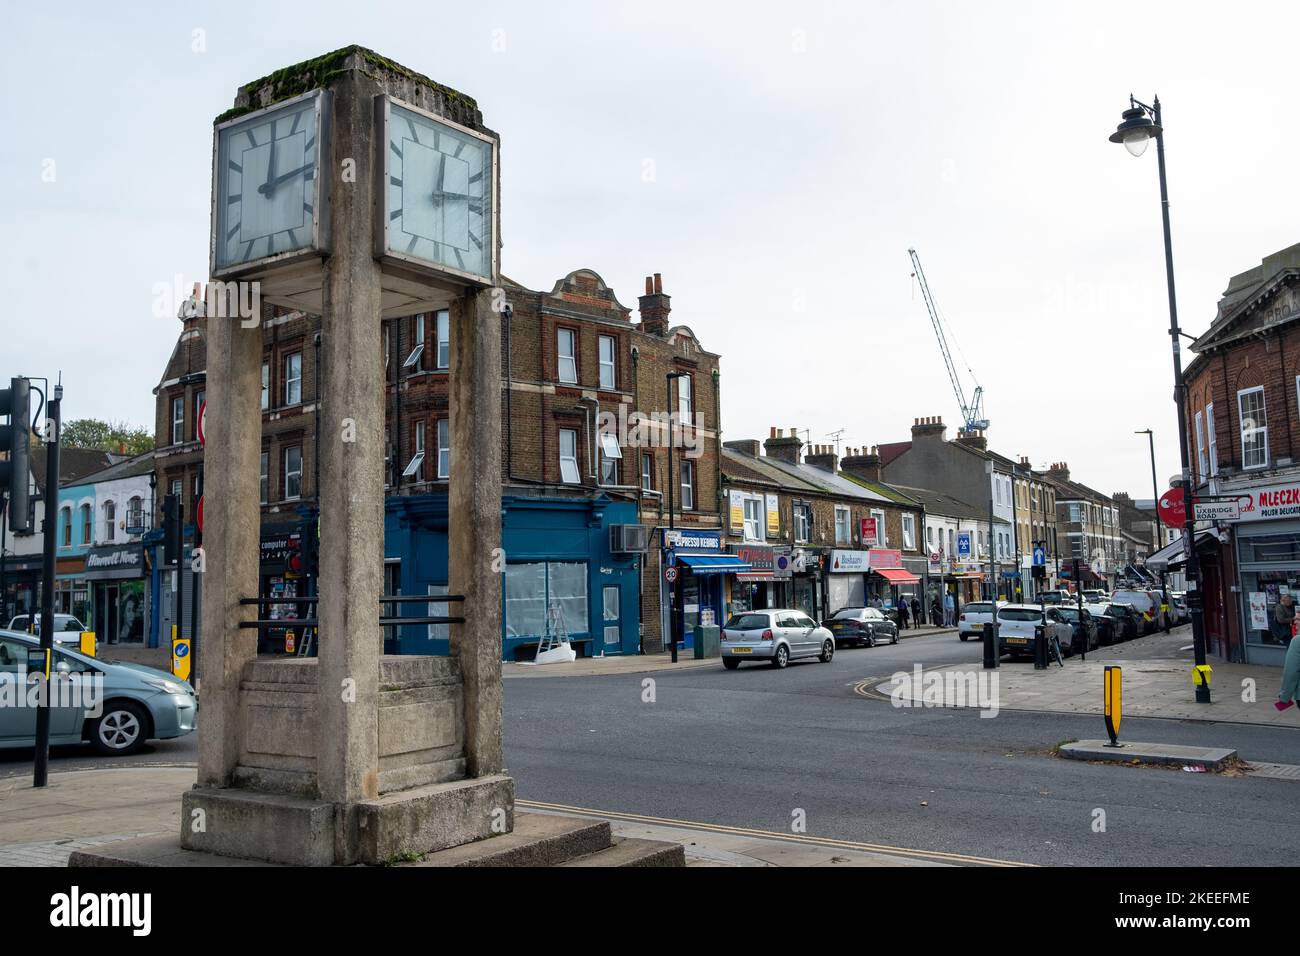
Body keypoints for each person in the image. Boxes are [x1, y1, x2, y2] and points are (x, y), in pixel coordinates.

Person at [1278, 618, 1300, 711]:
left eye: (1298, 619)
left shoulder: (1297, 641)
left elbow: (1291, 671)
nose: (1295, 621)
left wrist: (1284, 697)